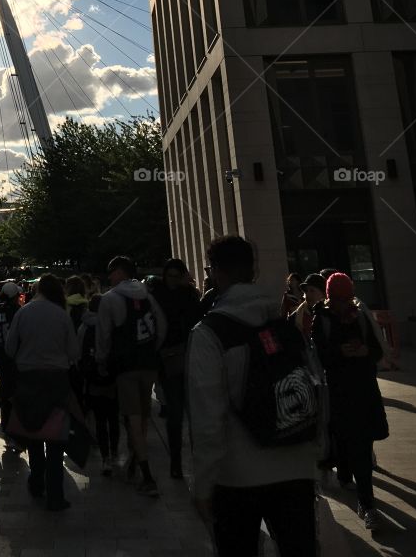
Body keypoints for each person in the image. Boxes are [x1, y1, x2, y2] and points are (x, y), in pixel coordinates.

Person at [186, 235, 320, 557]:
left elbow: (208, 418)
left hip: (237, 476)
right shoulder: (284, 325)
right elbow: (315, 385)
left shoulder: (208, 333)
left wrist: (202, 485)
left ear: (216, 272)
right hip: (296, 466)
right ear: (253, 270)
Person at [312, 273, 388, 531]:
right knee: (347, 440)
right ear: (329, 296)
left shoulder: (361, 315)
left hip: (364, 388)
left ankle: (366, 502)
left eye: (346, 298)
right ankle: (348, 477)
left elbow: (379, 348)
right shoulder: (321, 318)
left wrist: (367, 352)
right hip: (339, 392)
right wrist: (339, 353)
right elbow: (319, 355)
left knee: (360, 444)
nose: (342, 304)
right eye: (337, 298)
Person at [4, 273, 81, 512]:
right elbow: (74, 352)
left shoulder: (23, 312)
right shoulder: (61, 314)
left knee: (33, 431)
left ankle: (36, 481)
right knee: (56, 437)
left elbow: (9, 347)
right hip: (57, 380)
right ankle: (55, 495)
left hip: (28, 379)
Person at [95, 255, 166, 497]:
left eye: (111, 271)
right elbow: (161, 325)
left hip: (125, 366)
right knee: (144, 415)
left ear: (120, 272)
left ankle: (147, 474)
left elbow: (103, 336)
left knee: (133, 417)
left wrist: (101, 361)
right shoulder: (147, 294)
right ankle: (136, 457)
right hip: (148, 362)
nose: (109, 276)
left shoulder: (110, 299)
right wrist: (153, 349)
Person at [149, 257, 202, 479]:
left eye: (175, 276)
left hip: (182, 355)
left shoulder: (183, 296)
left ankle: (183, 460)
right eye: (169, 276)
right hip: (172, 358)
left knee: (184, 413)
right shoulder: (171, 296)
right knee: (176, 413)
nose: (171, 280)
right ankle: (176, 461)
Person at [78, 291, 119, 475]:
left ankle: (105, 457)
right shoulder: (113, 324)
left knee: (100, 420)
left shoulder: (84, 326)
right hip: (112, 377)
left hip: (93, 378)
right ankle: (115, 451)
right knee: (114, 418)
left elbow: (78, 353)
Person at [0, 280, 22, 448]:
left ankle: (8, 433)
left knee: (5, 398)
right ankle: (19, 433)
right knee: (18, 396)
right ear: (14, 296)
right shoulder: (19, 312)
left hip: (1, 361)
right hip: (17, 361)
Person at [293, 274, 326, 339]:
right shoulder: (295, 318)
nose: (307, 294)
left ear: (323, 294)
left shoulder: (331, 314)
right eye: (306, 291)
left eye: (312, 291)